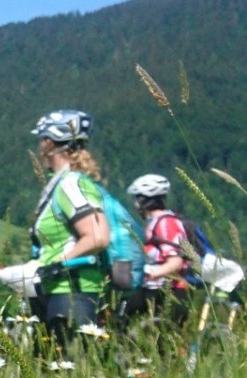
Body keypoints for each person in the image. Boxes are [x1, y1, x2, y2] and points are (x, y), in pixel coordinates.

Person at [15, 110, 112, 344]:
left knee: (67, 370)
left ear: (50, 143)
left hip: (73, 290)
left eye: (42, 139)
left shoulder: (71, 183)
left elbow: (97, 237)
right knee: (52, 368)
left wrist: (57, 263)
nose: (40, 146)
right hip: (56, 288)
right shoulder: (60, 183)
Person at [124, 173, 193, 321]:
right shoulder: (154, 222)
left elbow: (175, 262)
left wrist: (147, 274)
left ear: (143, 200)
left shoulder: (166, 223)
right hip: (156, 290)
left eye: (136, 198)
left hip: (169, 293)